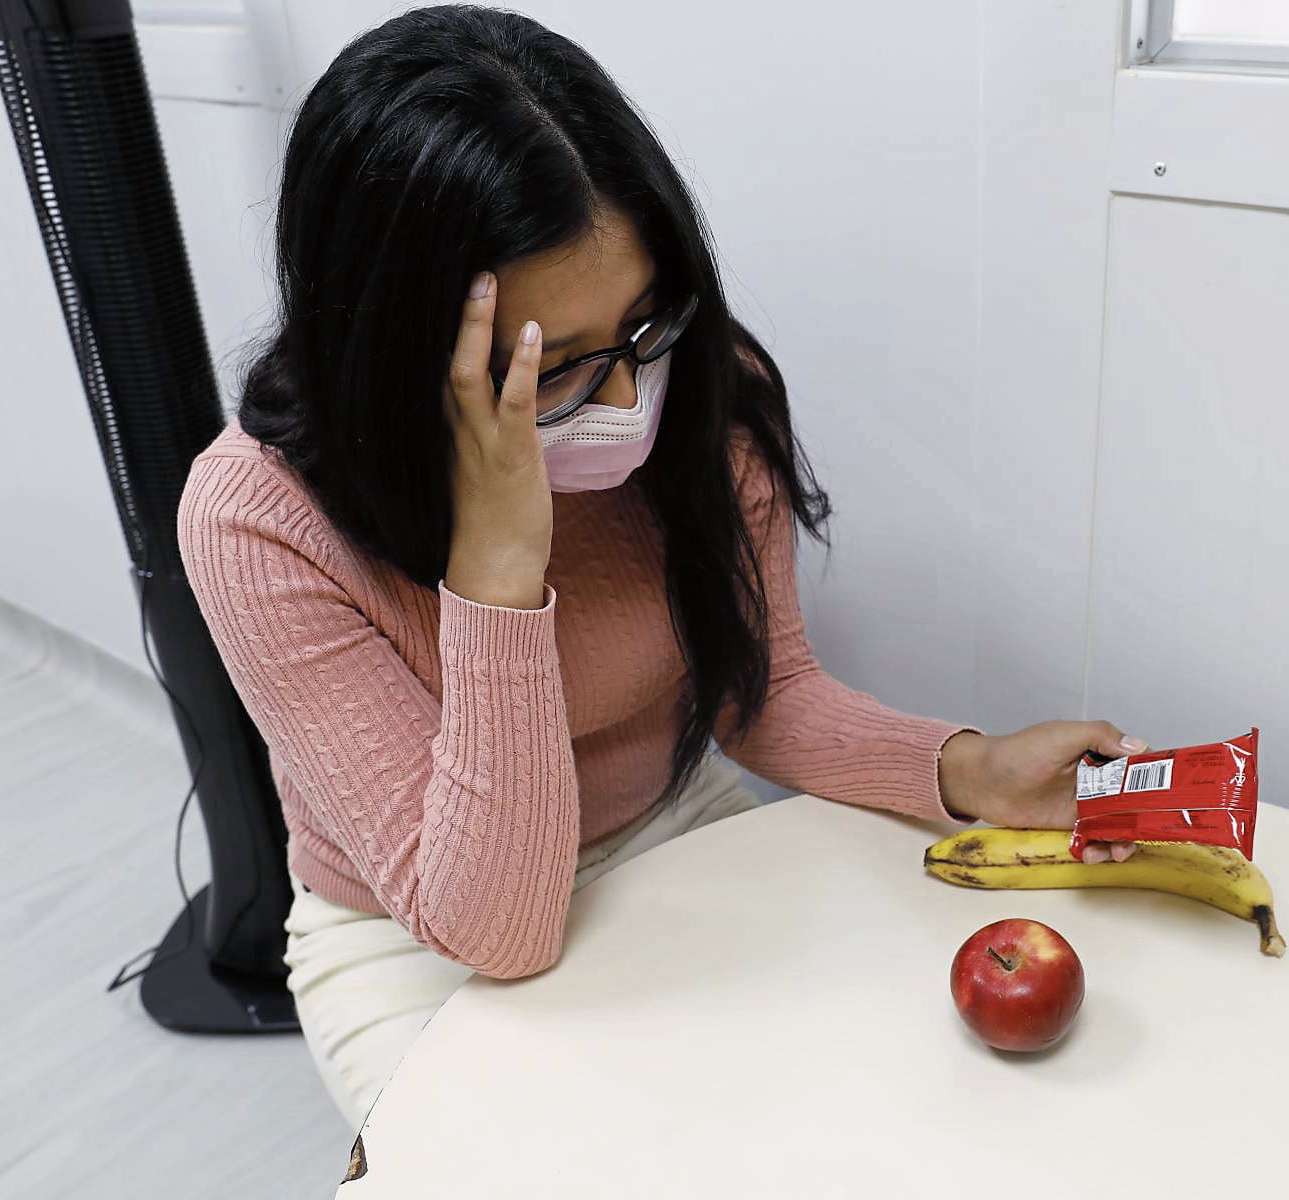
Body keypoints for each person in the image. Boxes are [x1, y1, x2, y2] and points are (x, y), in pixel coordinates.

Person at [176, 5, 1143, 1134]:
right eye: (561, 370)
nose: (635, 400)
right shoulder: (258, 519)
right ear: (401, 358)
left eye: (645, 326)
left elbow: (763, 694)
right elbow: (497, 927)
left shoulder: (705, 396)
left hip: (680, 826)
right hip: (415, 932)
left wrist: (965, 768)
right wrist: (497, 568)